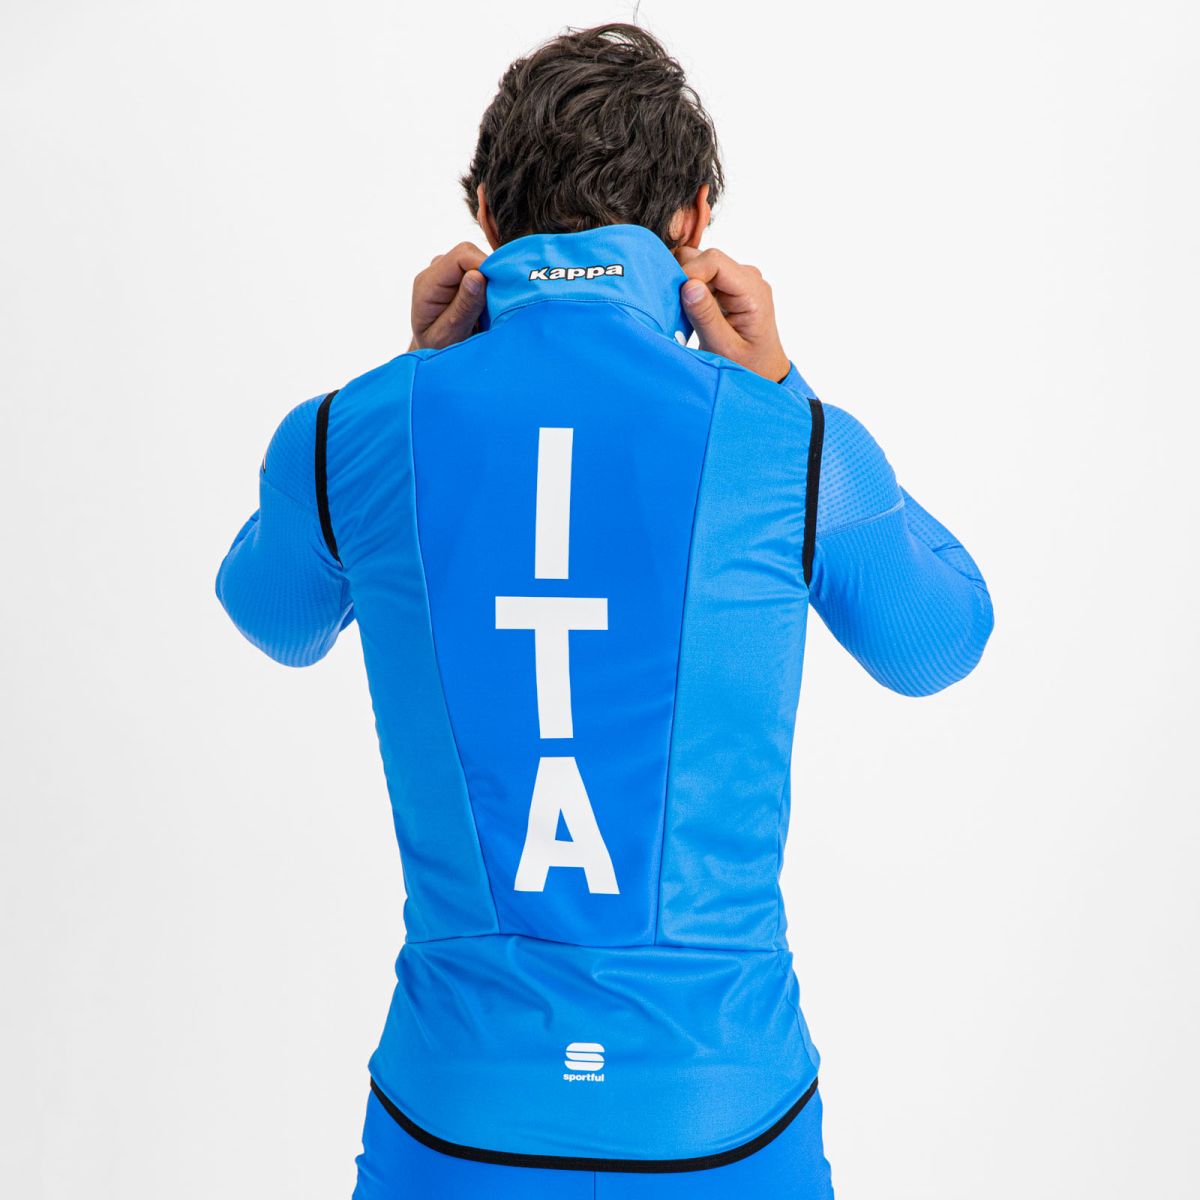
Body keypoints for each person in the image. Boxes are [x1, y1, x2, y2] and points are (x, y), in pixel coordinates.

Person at [215, 23, 993, 1199]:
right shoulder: (787, 440)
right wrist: (785, 389)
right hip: (721, 1111)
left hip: (455, 1109)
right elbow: (939, 636)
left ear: (485, 216)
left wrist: (409, 377)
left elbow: (275, 612)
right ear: (693, 221)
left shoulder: (348, 433)